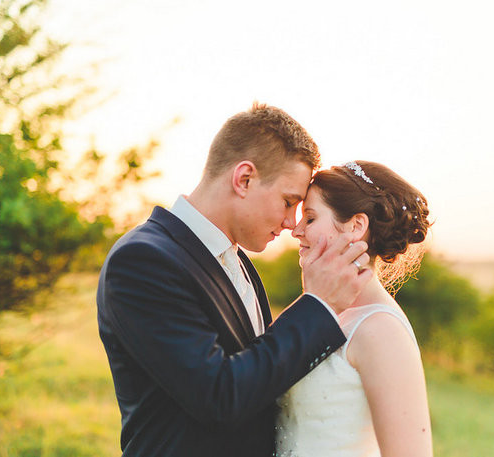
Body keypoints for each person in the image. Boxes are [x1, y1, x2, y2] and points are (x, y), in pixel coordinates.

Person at [96, 104, 374, 457]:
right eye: (289, 202)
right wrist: (317, 306)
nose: (292, 223)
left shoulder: (239, 261)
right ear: (244, 179)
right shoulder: (143, 261)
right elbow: (219, 397)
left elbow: (259, 373)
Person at [275, 160, 434, 457]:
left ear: (355, 226)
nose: (295, 231)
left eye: (309, 219)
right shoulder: (313, 310)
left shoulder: (380, 329)